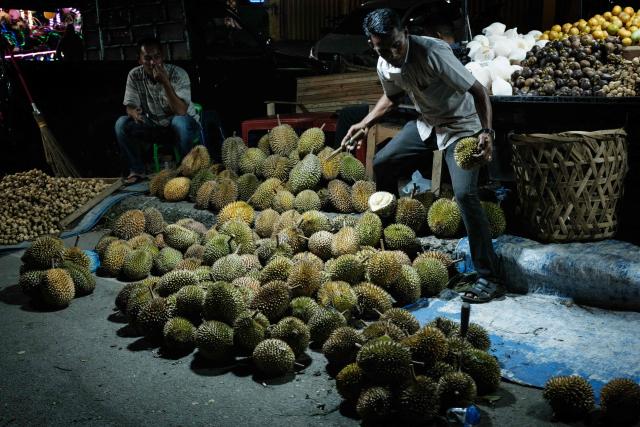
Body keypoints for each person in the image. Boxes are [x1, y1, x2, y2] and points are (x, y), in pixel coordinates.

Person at [342, 8, 503, 303]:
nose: (392, 53)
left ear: (405, 33)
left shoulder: (433, 53)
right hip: (427, 124)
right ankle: (392, 247)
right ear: (372, 44)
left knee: (465, 195)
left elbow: (479, 92)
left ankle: (489, 276)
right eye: (383, 48)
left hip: (461, 126)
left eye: (396, 44)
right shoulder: (385, 64)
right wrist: (364, 124)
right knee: (383, 164)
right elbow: (392, 97)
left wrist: (486, 133)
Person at [115, 38, 200, 183]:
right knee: (121, 123)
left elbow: (180, 111)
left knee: (180, 122)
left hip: (183, 126)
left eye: (157, 57)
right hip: (154, 126)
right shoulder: (134, 75)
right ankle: (137, 171)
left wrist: (165, 82)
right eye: (147, 58)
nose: (153, 62)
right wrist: (133, 112)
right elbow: (129, 105)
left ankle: (186, 172)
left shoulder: (178, 74)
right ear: (139, 60)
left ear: (163, 57)